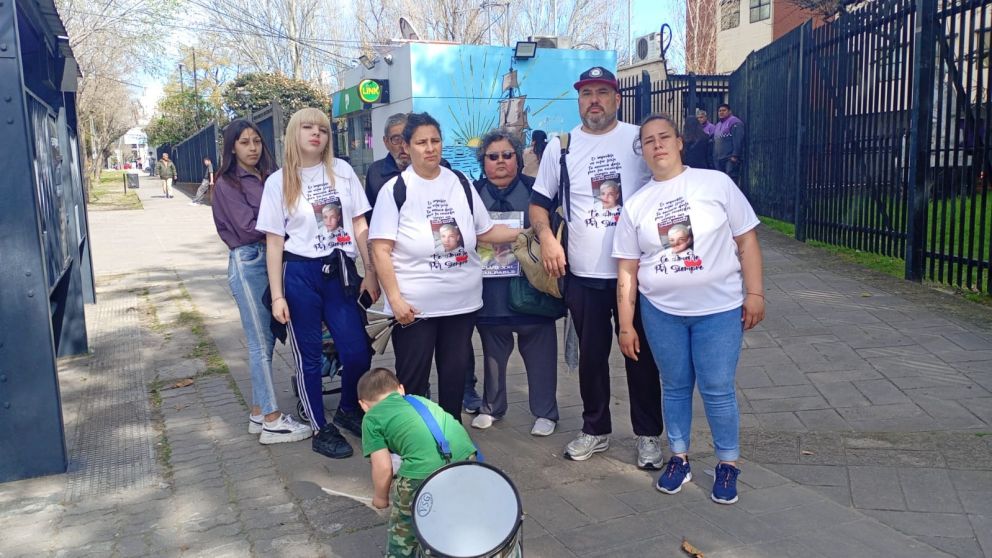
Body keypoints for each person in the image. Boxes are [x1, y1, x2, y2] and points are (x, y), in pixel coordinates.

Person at [614, 114, 764, 505]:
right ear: (642, 151)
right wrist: (626, 324)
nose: (657, 145)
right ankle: (679, 458)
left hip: (718, 309)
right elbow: (628, 268)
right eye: (648, 140)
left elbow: (746, 241)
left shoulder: (715, 184)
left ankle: (727, 463)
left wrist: (756, 294)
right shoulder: (637, 204)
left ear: (680, 142)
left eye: (665, 137)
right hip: (662, 312)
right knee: (675, 387)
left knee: (717, 389)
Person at [528, 66, 665, 469]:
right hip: (584, 273)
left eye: (602, 92)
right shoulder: (563, 146)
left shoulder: (639, 140)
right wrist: (549, 238)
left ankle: (648, 436)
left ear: (617, 98)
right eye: (587, 93)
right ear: (579, 100)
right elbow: (539, 203)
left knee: (641, 357)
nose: (594, 101)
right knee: (591, 357)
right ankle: (595, 428)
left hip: (636, 272)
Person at [369, 112, 521, 420]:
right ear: (407, 148)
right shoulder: (396, 190)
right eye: (421, 142)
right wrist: (395, 299)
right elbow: (380, 249)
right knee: (412, 383)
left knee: (454, 380)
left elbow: (485, 232)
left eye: (435, 141)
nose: (430, 148)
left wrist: (532, 234)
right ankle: (411, 445)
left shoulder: (461, 183)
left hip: (461, 306)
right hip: (414, 309)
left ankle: (451, 443)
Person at [256, 107, 378, 459]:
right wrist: (278, 295)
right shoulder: (279, 181)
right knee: (309, 355)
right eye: (308, 127)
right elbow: (274, 242)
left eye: (323, 129)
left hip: (339, 272)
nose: (316, 134)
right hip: (299, 275)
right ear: (293, 133)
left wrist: (369, 270)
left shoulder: (341, 171)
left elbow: (359, 224)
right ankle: (318, 425)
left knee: (356, 349)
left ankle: (348, 409)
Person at [211, 120, 312, 445]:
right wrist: (286, 226)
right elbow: (246, 228)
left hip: (274, 257)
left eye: (256, 141)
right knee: (257, 342)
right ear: (231, 147)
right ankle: (271, 419)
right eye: (244, 142)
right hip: (250, 261)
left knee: (267, 341)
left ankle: (258, 410)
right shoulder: (226, 183)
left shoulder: (271, 177)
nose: (252, 148)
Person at [469, 129, 560, 436]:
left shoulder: (537, 193)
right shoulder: (472, 194)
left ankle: (545, 412)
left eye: (507, 155)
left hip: (532, 290)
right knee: (493, 356)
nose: (500, 162)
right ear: (483, 162)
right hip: (489, 293)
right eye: (492, 157)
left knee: (541, 355)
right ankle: (491, 407)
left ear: (518, 159)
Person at [358, 368, 479, 557]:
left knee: (404, 528)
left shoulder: (371, 418)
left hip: (420, 473)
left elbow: (382, 466)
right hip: (466, 459)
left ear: (363, 405)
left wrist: (381, 497)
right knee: (461, 512)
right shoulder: (418, 400)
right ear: (401, 389)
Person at [365, 113, 411, 221]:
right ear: (386, 142)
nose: (403, 145)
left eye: (407, 138)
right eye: (396, 139)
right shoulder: (375, 172)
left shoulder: (431, 168)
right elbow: (369, 216)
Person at [713, 103, 745, 184]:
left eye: (724, 110)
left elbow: (738, 140)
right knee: (721, 182)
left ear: (729, 111)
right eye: (719, 111)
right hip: (719, 159)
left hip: (729, 159)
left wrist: (735, 155)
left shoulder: (735, 122)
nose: (721, 112)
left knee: (731, 181)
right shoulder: (717, 125)